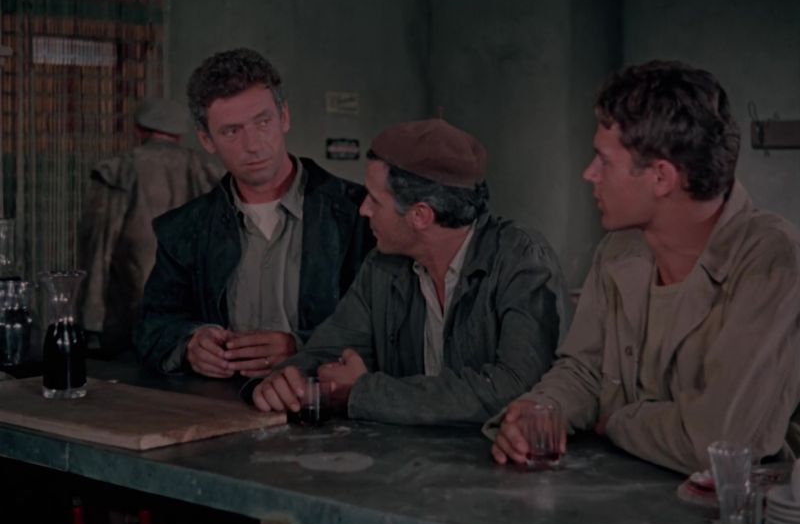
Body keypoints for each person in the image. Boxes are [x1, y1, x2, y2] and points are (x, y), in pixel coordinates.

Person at [489, 60, 800, 474]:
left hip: (735, 507)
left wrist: (617, 421)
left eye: (603, 160)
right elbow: (584, 371)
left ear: (661, 177)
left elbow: (719, 442)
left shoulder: (771, 259)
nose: (588, 173)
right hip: (622, 493)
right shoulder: (618, 250)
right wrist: (540, 412)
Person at [248, 118, 570, 425]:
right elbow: (327, 351)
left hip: (496, 460)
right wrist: (285, 380)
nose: (363, 209)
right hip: (405, 458)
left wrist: (364, 393)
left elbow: (516, 390)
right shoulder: (381, 266)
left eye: (375, 200)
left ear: (420, 216)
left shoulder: (521, 260)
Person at [134, 48, 373, 378]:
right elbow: (152, 327)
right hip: (219, 403)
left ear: (284, 117)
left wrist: (303, 347)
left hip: (323, 401)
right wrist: (190, 344)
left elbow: (385, 330)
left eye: (263, 122)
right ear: (206, 139)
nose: (253, 145)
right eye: (232, 131)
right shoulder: (185, 228)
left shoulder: (359, 214)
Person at [79, 97, 223, 356]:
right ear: (180, 132)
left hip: (129, 300)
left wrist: (91, 318)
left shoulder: (120, 169)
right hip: (195, 309)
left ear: (138, 129)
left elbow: (98, 244)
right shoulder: (207, 169)